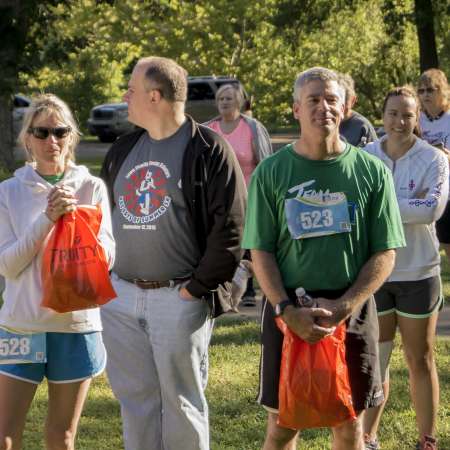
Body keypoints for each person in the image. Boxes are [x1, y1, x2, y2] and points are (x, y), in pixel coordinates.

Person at [242, 67, 406, 450]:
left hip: (350, 308)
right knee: (283, 426)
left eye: (332, 99)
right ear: (297, 108)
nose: (323, 108)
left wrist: (346, 305)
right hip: (288, 310)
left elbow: (385, 251)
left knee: (349, 426)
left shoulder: (371, 172)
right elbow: (260, 250)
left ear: (347, 107)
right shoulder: (271, 172)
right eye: (313, 100)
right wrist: (285, 308)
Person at [99, 56, 246, 450]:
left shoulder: (209, 150)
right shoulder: (123, 148)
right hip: (121, 297)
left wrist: (194, 290)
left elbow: (231, 230)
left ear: (154, 96)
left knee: (182, 404)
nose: (125, 96)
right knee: (136, 404)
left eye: (131, 89)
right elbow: (103, 215)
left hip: (179, 297)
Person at [0, 94, 115, 450]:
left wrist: (77, 224)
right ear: (27, 139)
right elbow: (8, 265)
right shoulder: (9, 192)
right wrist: (47, 219)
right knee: (4, 436)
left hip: (75, 326)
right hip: (23, 324)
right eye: (42, 132)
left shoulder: (91, 187)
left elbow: (108, 257)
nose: (52, 140)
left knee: (61, 437)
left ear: (71, 136)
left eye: (60, 131)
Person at [363, 86, 448, 450]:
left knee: (420, 357)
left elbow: (430, 210)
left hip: (418, 273)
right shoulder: (364, 156)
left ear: (418, 119)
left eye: (408, 115)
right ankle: (367, 437)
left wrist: (380, 205)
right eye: (393, 113)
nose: (400, 122)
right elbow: (354, 209)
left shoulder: (434, 158)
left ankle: (426, 440)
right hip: (374, 273)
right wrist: (404, 204)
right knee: (376, 358)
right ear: (382, 116)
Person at [205, 83, 273, 306]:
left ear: (240, 101)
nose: (224, 102)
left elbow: (265, 162)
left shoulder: (252, 127)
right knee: (221, 241)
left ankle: (250, 291)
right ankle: (221, 287)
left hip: (248, 196)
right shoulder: (209, 128)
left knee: (249, 243)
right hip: (217, 198)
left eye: (229, 98)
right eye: (221, 98)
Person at [417, 69, 450, 262]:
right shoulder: (417, 120)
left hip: (448, 190)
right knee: (436, 245)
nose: (425, 95)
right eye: (421, 91)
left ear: (443, 90)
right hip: (425, 191)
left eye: (430, 90)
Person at [338, 72, 378, 147]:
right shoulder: (321, 122)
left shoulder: (362, 126)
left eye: (344, 102)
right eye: (334, 101)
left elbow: (373, 156)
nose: (340, 107)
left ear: (353, 100)